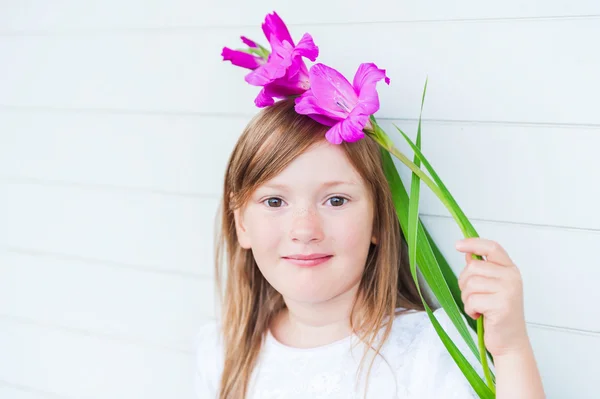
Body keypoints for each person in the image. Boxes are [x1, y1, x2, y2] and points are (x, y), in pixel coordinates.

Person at [195, 98, 545, 398]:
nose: (304, 230)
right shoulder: (224, 351)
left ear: (379, 219)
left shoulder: (428, 348)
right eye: (274, 201)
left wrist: (511, 350)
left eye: (335, 200)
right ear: (241, 222)